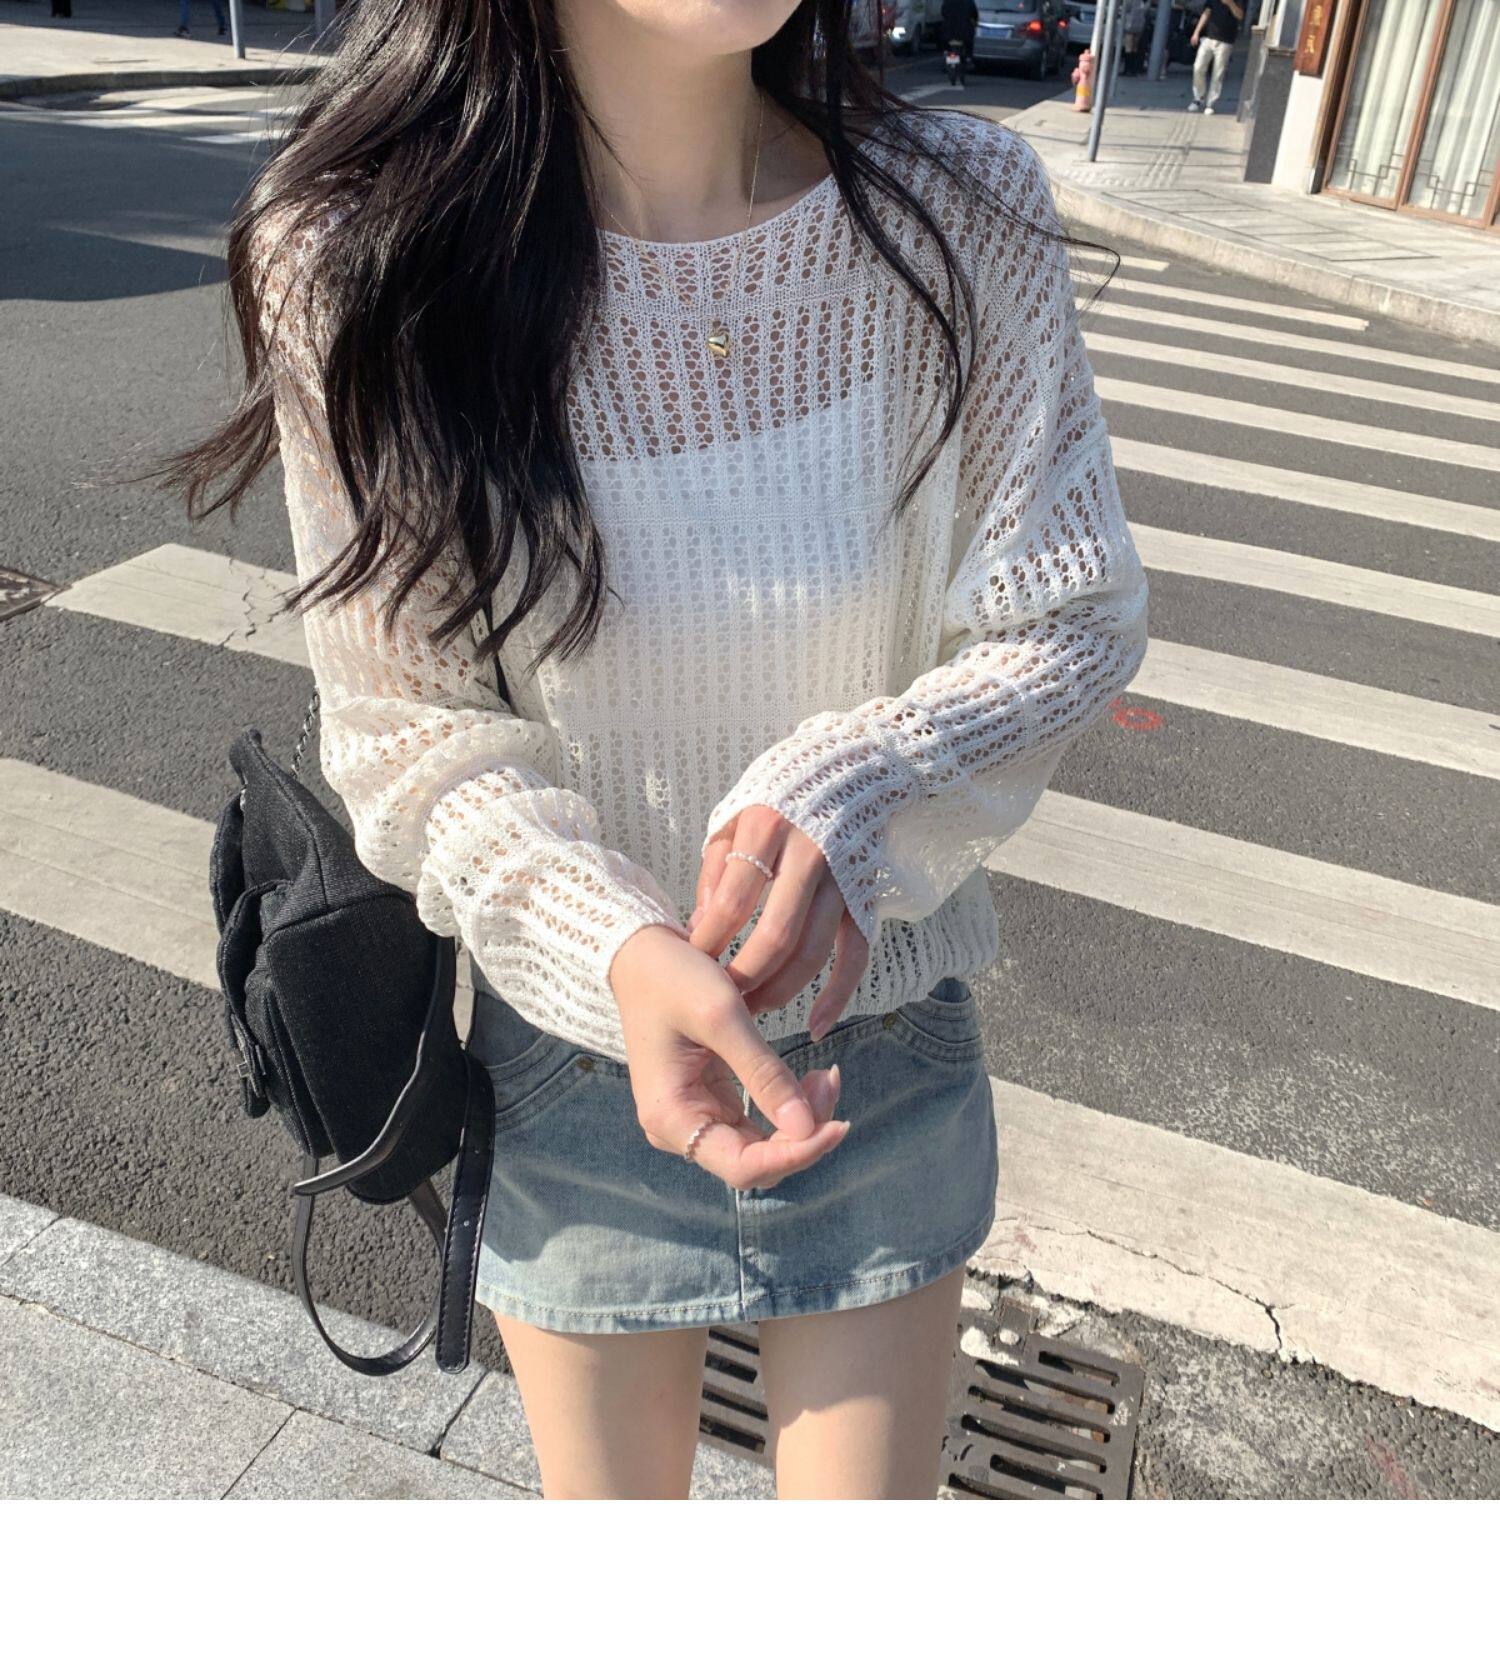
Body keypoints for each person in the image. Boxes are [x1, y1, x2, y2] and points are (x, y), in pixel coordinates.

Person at [165, 0, 1148, 1501]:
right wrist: (617, 943)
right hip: (574, 1068)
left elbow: (1068, 615)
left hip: (879, 1059)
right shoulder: (359, 254)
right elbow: (409, 731)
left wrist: (855, 786)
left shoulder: (963, 214)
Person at [1188, 0, 1243, 114]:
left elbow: (1240, 16)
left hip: (1226, 40)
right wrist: (1196, 32)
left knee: (1218, 73)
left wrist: (1230, 3)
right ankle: (1198, 97)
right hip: (1208, 37)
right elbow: (1206, 13)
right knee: (1198, 67)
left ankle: (1211, 103)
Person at [940, 0, 978, 67]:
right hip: (964, 31)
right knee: (969, 44)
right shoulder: (969, 1)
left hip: (950, 30)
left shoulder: (947, 1)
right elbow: (974, 14)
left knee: (946, 44)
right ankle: (968, 59)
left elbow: (943, 12)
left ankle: (947, 56)